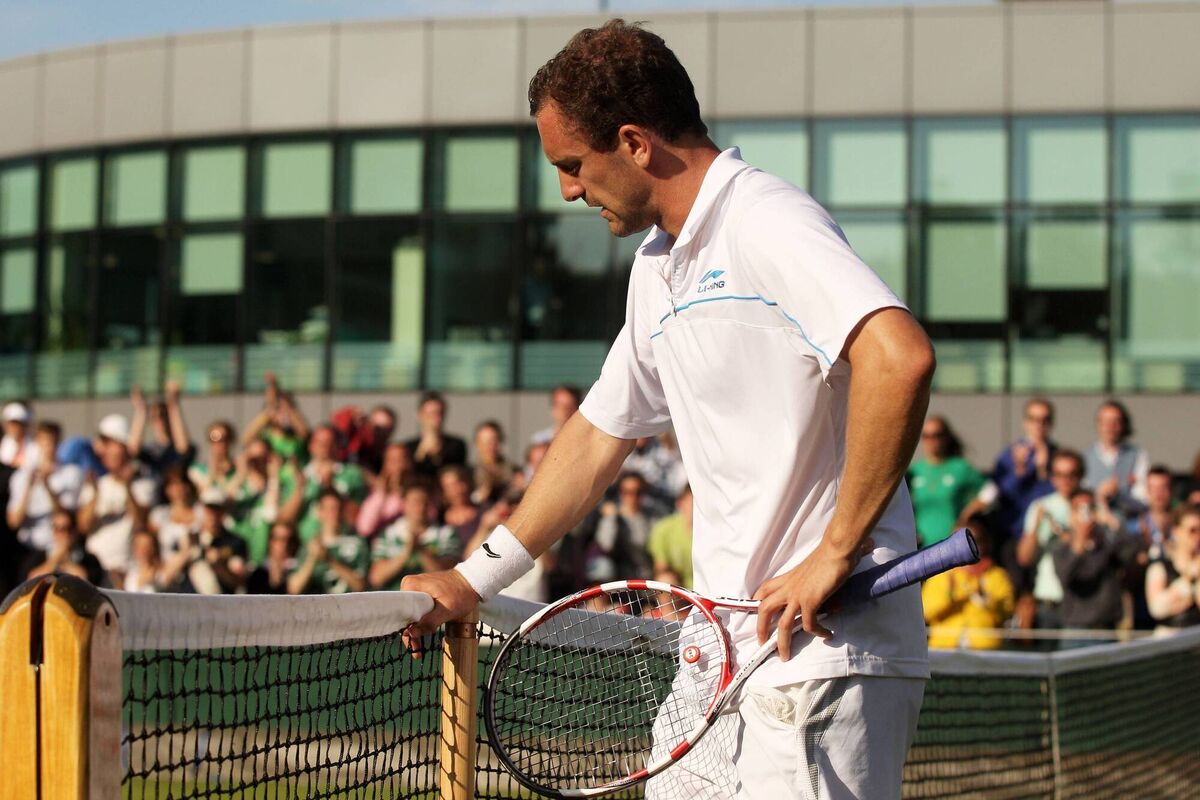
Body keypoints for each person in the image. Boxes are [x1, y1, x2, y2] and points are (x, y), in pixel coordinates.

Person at [402, 20, 936, 800]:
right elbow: (593, 439)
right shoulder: (657, 268)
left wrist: (833, 554)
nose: (569, 190)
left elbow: (900, 357)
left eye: (574, 165)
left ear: (635, 142)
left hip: (820, 654)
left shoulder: (766, 221)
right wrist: (474, 580)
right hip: (715, 657)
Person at [959, 398, 1057, 583]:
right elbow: (999, 494)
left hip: (1044, 535)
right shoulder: (1010, 454)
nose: (1039, 425)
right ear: (1025, 422)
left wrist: (1043, 472)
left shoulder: (1057, 456)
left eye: (1044, 420)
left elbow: (1054, 498)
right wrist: (1019, 472)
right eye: (1034, 419)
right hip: (1011, 533)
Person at [1050, 489, 1144, 646]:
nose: (1084, 515)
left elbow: (1134, 550)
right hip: (1075, 632)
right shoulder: (1062, 549)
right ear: (1070, 515)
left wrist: (1111, 521)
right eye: (1078, 510)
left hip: (1106, 631)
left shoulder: (1108, 546)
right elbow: (1065, 576)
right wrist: (1079, 543)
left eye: (1089, 509)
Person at [78, 414, 158, 585]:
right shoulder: (97, 485)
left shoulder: (143, 484)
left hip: (126, 569)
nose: (105, 452)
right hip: (94, 570)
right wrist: (95, 494)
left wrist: (127, 487)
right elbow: (84, 525)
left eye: (111, 445)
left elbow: (141, 522)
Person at [1016, 450, 1087, 630]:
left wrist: (1065, 532)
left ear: (1081, 476)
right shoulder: (1041, 506)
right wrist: (1036, 527)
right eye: (1060, 475)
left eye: (1072, 475)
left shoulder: (1088, 504)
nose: (1066, 480)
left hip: (1081, 602)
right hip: (1048, 601)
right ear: (1052, 477)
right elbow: (1024, 558)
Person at [922, 518, 1014, 650]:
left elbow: (1006, 613)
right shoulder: (940, 575)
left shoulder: (997, 575)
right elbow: (926, 612)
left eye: (975, 539)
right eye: (958, 541)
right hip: (944, 648)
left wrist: (986, 599)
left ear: (984, 543)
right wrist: (952, 596)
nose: (968, 546)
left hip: (984, 650)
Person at [7, 421, 83, 555]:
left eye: (54, 442)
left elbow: (66, 517)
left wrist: (47, 486)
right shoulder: (21, 476)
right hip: (28, 548)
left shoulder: (72, 473)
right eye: (46, 442)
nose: (50, 448)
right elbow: (14, 521)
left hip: (59, 548)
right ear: (37, 442)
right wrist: (29, 487)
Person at [907, 415, 984, 547]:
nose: (931, 441)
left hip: (953, 544)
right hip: (922, 546)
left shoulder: (959, 467)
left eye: (937, 435)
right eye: (926, 436)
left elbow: (990, 491)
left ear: (946, 437)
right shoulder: (914, 471)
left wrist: (967, 514)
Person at [368, 482, 459, 591]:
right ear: (404, 503)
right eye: (415, 502)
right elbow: (376, 578)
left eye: (425, 502)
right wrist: (405, 555)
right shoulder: (388, 534)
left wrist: (421, 551)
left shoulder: (446, 534)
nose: (421, 507)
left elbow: (448, 577)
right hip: (394, 599)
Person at [288, 489, 367, 595]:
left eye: (337, 508)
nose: (333, 513)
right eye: (328, 509)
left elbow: (360, 586)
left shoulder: (356, 543)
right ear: (320, 512)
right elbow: (294, 588)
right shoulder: (308, 547)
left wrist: (330, 560)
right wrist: (312, 558)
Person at [1083, 399, 1150, 518]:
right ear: (1098, 424)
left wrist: (1119, 494)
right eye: (1106, 422)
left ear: (1124, 425)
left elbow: (1143, 499)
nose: (1110, 427)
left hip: (1128, 524)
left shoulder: (1138, 456)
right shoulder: (1085, 458)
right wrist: (1099, 495)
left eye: (1115, 422)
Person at [1145, 505, 1200, 630]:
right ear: (1177, 531)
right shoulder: (1161, 567)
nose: (1197, 536)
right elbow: (1157, 609)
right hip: (1171, 641)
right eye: (1192, 530)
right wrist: (1187, 581)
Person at [23, 509, 108, 587]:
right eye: (58, 529)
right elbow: (31, 582)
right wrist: (55, 560)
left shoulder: (89, 559)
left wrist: (65, 561)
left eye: (68, 528)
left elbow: (86, 581)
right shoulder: (38, 558)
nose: (63, 534)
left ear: (75, 531)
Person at [128, 381, 195, 476]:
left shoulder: (182, 448)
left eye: (164, 415)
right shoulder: (150, 450)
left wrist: (174, 405)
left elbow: (183, 448)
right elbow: (133, 450)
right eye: (155, 416)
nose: (160, 420)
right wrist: (141, 410)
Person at [648, 483, 694, 588]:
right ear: (680, 503)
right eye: (692, 503)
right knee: (665, 581)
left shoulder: (717, 530)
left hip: (710, 591)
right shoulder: (663, 528)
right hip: (679, 591)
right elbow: (661, 568)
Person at [246, 523, 299, 594]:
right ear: (271, 542)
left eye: (290, 540)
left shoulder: (298, 568)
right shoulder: (258, 573)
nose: (285, 545)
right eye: (280, 539)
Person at [471, 420, 514, 505]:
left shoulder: (514, 471)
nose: (490, 445)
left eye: (494, 440)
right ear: (477, 443)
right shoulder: (469, 473)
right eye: (485, 441)